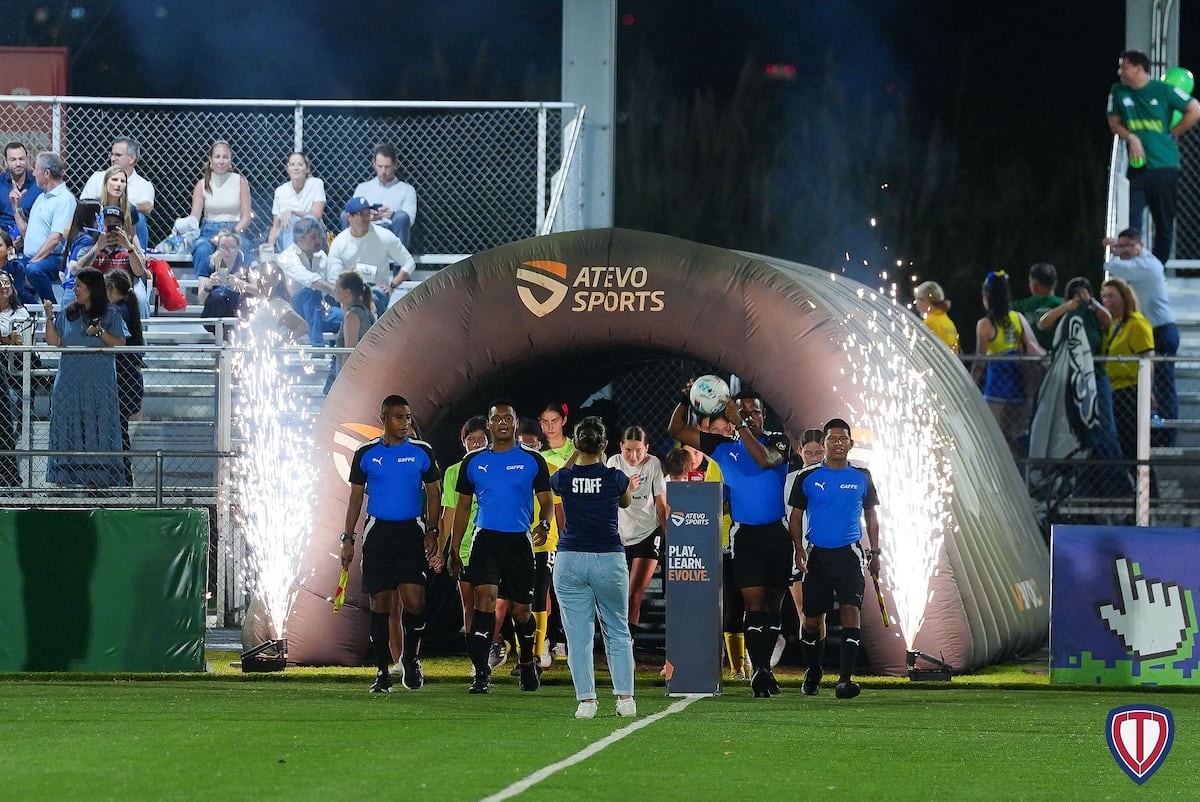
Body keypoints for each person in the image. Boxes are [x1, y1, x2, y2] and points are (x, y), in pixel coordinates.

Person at [669, 386, 792, 698]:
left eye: (754, 411)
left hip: (777, 534)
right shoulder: (722, 447)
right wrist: (686, 400)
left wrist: (740, 426)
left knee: (772, 607)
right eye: (743, 411)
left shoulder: (778, 441)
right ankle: (760, 670)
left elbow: (764, 460)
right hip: (746, 536)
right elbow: (677, 429)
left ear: (764, 415)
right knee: (754, 604)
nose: (749, 416)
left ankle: (765, 669)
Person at [448, 399, 554, 695]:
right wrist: (454, 548)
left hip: (519, 541)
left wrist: (544, 524)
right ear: (490, 424)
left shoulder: (533, 460)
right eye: (497, 419)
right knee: (485, 603)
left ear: (515, 423)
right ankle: (481, 673)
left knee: (522, 612)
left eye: (508, 418)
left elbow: (546, 500)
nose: (503, 423)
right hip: (486, 540)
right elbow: (462, 509)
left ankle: (528, 662)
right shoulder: (473, 462)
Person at [339, 395, 442, 693]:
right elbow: (355, 499)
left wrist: (432, 530)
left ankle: (410, 657)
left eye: (407, 417)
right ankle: (382, 672)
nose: (405, 423)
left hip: (411, 532)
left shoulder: (422, 451)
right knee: (380, 603)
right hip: (378, 533)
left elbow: (434, 493)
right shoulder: (366, 453)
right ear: (383, 419)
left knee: (415, 601)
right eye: (399, 417)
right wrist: (348, 539)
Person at [550, 416, 636, 719]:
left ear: (576, 443)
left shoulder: (564, 477)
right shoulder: (615, 477)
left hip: (570, 559)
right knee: (618, 630)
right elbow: (626, 503)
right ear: (604, 444)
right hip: (608, 558)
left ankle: (586, 702)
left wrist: (577, 453)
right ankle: (625, 699)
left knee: (578, 637)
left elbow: (559, 478)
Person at [788, 418, 880, 699]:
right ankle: (813, 670)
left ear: (851, 444)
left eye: (843, 439)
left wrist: (875, 552)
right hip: (817, 555)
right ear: (824, 443)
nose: (838, 443)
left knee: (852, 612)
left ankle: (845, 680)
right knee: (811, 621)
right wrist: (798, 549)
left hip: (849, 555)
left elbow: (871, 515)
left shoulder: (862, 476)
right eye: (832, 438)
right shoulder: (807, 477)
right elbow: (795, 516)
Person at [1107, 50, 1200, 263]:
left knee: (1163, 223)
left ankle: (1157, 269)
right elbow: (1114, 123)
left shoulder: (1163, 90)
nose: (1120, 72)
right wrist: (1132, 137)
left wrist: (1173, 132)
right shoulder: (1118, 91)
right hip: (1138, 168)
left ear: (1138, 68)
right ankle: (1133, 265)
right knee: (1132, 222)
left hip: (1164, 166)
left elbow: (1194, 109)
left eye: (1124, 67)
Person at [42, 267, 128, 487]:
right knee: (67, 425)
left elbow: (120, 343)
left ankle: (97, 478)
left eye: (79, 286)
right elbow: (54, 341)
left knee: (98, 425)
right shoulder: (68, 313)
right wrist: (49, 316)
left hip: (99, 384)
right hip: (69, 382)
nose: (75, 290)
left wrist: (99, 332)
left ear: (92, 289)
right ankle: (64, 477)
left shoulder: (111, 314)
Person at [1103, 227, 1179, 446]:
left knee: (1163, 387)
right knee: (1155, 387)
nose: (1123, 251)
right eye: (1120, 246)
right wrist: (1117, 249)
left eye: (1127, 246)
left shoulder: (1147, 264)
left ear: (1141, 245)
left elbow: (1113, 267)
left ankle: (1167, 438)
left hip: (1162, 331)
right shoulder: (1140, 263)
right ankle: (1155, 435)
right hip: (1154, 330)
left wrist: (1112, 250)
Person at [971, 270, 1045, 459]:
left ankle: (998, 474)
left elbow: (980, 361)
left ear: (986, 295)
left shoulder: (985, 325)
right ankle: (1020, 472)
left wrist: (970, 385)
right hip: (1018, 388)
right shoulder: (1017, 318)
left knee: (993, 438)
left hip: (995, 390)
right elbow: (1033, 347)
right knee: (1015, 438)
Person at [437, 416, 490, 661]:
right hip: (464, 549)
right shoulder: (453, 472)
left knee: (488, 604)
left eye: (482, 439)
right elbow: (448, 514)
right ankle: (477, 660)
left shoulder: (496, 466)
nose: (476, 444)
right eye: (471, 439)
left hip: (491, 547)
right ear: (463, 441)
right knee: (469, 604)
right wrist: (441, 551)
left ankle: (491, 648)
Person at [607, 425, 668, 633]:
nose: (633, 456)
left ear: (646, 448)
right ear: (621, 447)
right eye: (628, 450)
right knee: (618, 593)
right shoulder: (614, 463)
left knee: (634, 592)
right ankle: (615, 638)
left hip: (648, 533)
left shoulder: (653, 464)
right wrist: (626, 488)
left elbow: (661, 504)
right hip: (620, 535)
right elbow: (607, 500)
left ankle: (628, 641)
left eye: (638, 451)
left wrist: (668, 536)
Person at [1100, 277, 1156, 487]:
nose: (1107, 301)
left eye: (1111, 296)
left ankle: (1150, 494)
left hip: (1130, 390)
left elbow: (1147, 358)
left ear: (1124, 297)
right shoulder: (1110, 325)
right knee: (1119, 445)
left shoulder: (1136, 323)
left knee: (1133, 446)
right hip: (1112, 389)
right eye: (1104, 296)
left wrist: (1148, 390)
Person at [781, 428, 828, 665]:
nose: (814, 458)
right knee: (803, 611)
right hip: (797, 553)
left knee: (818, 614)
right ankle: (811, 666)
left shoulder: (833, 479)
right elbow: (787, 517)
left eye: (819, 453)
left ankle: (817, 664)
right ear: (799, 451)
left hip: (824, 553)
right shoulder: (790, 480)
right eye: (809, 453)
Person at [327, 197, 415, 316]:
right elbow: (334, 278)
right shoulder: (339, 242)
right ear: (349, 217)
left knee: (373, 296)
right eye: (361, 214)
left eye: (368, 213)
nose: (366, 218)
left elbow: (409, 262)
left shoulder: (384, 236)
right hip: (350, 290)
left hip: (377, 289)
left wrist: (392, 285)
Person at [15, 152, 77, 304]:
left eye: (36, 169)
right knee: (10, 268)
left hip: (53, 258)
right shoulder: (41, 197)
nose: (33, 173)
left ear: (47, 173)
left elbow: (56, 238)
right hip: (32, 257)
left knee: (34, 270)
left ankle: (53, 310)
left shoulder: (64, 199)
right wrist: (15, 207)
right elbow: (27, 231)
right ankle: (26, 310)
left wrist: (33, 261)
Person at [105, 269, 145, 486]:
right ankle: (123, 479)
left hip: (120, 378)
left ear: (111, 288)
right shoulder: (126, 308)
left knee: (118, 431)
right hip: (128, 377)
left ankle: (122, 479)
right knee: (120, 430)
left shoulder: (116, 311)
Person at [276, 215, 342, 348]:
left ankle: (344, 353)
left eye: (319, 236)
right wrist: (335, 290)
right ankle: (318, 347)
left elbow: (331, 281)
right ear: (300, 240)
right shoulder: (287, 257)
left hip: (319, 309)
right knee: (310, 293)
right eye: (313, 237)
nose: (318, 241)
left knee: (347, 317)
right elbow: (309, 280)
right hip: (293, 310)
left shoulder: (321, 256)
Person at [190, 141, 252, 278]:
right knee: (201, 249)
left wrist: (229, 235)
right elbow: (194, 218)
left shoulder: (240, 182)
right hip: (208, 232)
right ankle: (204, 286)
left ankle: (235, 284)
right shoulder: (202, 185)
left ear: (230, 160)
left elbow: (246, 217)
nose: (221, 161)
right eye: (217, 157)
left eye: (225, 157)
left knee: (244, 246)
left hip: (234, 230)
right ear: (211, 160)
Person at [80, 139, 155, 248]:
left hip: (126, 226)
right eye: (111, 154)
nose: (112, 159)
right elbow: (84, 205)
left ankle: (139, 253)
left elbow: (147, 207)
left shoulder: (144, 184)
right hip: (99, 224)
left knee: (139, 217)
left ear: (132, 158)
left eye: (118, 155)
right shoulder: (97, 177)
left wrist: (121, 206)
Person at [0, 254, 32, 485]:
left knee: (5, 420)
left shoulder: (20, 314)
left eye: (6, 283)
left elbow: (25, 346)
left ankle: (9, 474)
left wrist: (10, 341)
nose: (3, 287)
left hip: (13, 375)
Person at [347, 143, 417, 247]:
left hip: (392, 231)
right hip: (367, 229)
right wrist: (367, 215)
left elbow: (409, 220)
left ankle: (398, 256)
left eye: (387, 167)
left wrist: (392, 215)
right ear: (373, 163)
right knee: (348, 215)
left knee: (401, 216)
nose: (383, 171)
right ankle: (350, 252)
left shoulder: (407, 190)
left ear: (396, 165)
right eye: (380, 166)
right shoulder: (363, 188)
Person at [324, 271, 375, 394]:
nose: (334, 290)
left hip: (352, 378)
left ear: (347, 292)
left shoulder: (352, 315)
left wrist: (343, 382)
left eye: (337, 286)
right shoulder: (364, 310)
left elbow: (349, 350)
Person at [265, 152, 326, 252]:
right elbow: (276, 226)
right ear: (287, 169)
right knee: (290, 221)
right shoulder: (280, 191)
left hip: (312, 234)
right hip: (287, 237)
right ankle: (292, 256)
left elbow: (317, 215)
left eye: (300, 165)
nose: (296, 168)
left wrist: (293, 212)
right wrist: (270, 245)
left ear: (307, 169)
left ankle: (301, 256)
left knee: (306, 219)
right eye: (292, 165)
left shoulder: (316, 184)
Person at [1, 142, 42, 247]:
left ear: (27, 159)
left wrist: (26, 237)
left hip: (32, 239)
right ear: (5, 162)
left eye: (21, 159)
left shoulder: (38, 185)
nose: (18, 163)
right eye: (13, 160)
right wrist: (6, 240)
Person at [913, 280, 958, 352]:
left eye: (918, 300)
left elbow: (922, 351)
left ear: (925, 300)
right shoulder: (949, 322)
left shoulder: (929, 323)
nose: (917, 305)